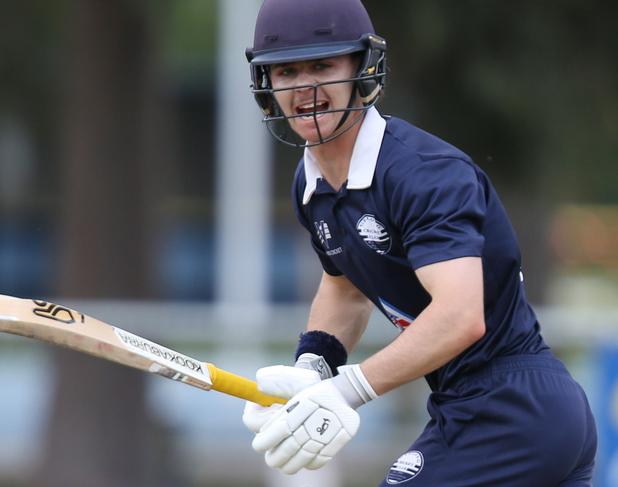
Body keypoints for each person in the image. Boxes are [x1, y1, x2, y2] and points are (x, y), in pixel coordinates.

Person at [242, 0, 597, 485]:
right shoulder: (311, 182)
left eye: (323, 65)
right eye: (286, 71)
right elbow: (345, 287)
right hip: (471, 407)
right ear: (267, 84)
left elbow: (460, 317)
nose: (305, 88)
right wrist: (314, 367)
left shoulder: (422, 174)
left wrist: (348, 389)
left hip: (514, 409)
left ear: (362, 69)